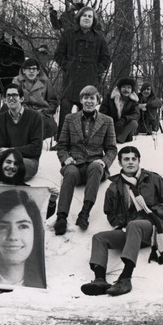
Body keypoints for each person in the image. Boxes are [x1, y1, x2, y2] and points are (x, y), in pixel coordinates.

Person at [80, 146, 163, 297]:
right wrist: (120, 222)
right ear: (120, 163)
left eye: (134, 159)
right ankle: (99, 279)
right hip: (131, 232)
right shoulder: (114, 186)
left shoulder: (153, 179)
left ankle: (125, 278)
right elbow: (109, 212)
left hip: (153, 228)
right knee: (99, 237)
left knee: (134, 225)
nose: (130, 162)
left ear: (139, 161)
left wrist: (154, 211)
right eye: (126, 159)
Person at [53, 85, 117, 235]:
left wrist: (104, 161)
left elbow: (112, 149)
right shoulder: (70, 119)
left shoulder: (107, 121)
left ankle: (85, 213)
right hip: (75, 163)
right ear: (81, 100)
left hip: (94, 165)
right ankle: (61, 216)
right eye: (85, 98)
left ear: (97, 101)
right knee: (69, 173)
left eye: (92, 98)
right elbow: (61, 145)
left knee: (96, 168)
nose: (89, 101)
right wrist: (65, 158)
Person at [54, 6, 111, 138]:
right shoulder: (68, 34)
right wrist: (67, 66)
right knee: (65, 106)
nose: (87, 18)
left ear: (93, 20)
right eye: (84, 15)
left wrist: (97, 70)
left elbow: (106, 58)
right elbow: (58, 54)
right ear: (79, 17)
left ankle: (83, 139)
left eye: (90, 16)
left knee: (86, 109)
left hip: (89, 79)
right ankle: (62, 140)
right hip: (71, 78)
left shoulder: (99, 38)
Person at [0, 83, 43, 181]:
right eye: (8, 96)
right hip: (6, 160)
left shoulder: (35, 117)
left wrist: (12, 150)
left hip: (27, 161)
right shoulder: (0, 119)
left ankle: (3, 180)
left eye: (14, 95)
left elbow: (36, 147)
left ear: (21, 99)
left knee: (19, 164)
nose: (11, 98)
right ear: (4, 100)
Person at [12, 58, 58, 140]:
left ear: (38, 71)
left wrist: (45, 112)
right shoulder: (17, 81)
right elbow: (13, 100)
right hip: (23, 112)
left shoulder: (46, 82)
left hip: (41, 113)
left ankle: (35, 143)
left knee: (51, 126)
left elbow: (53, 101)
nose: (31, 71)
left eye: (34, 69)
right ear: (23, 71)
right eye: (29, 69)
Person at [99, 77, 140, 143]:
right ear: (119, 88)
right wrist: (110, 122)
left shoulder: (133, 101)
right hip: (110, 125)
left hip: (123, 127)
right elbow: (102, 113)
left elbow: (136, 114)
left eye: (129, 87)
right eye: (124, 87)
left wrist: (124, 119)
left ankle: (118, 140)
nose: (126, 90)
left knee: (134, 123)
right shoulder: (110, 98)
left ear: (132, 90)